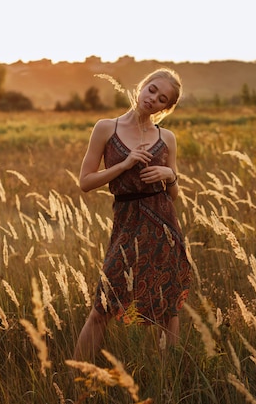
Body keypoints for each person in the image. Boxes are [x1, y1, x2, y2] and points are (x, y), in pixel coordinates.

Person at [72, 68, 191, 362]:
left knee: (167, 310)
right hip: (126, 225)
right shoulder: (106, 128)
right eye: (152, 90)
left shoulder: (167, 137)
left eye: (162, 99)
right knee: (102, 307)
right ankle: (76, 377)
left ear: (166, 107)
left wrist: (170, 176)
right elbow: (85, 182)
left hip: (164, 228)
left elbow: (173, 195)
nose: (153, 99)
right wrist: (124, 165)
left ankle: (169, 380)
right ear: (142, 87)